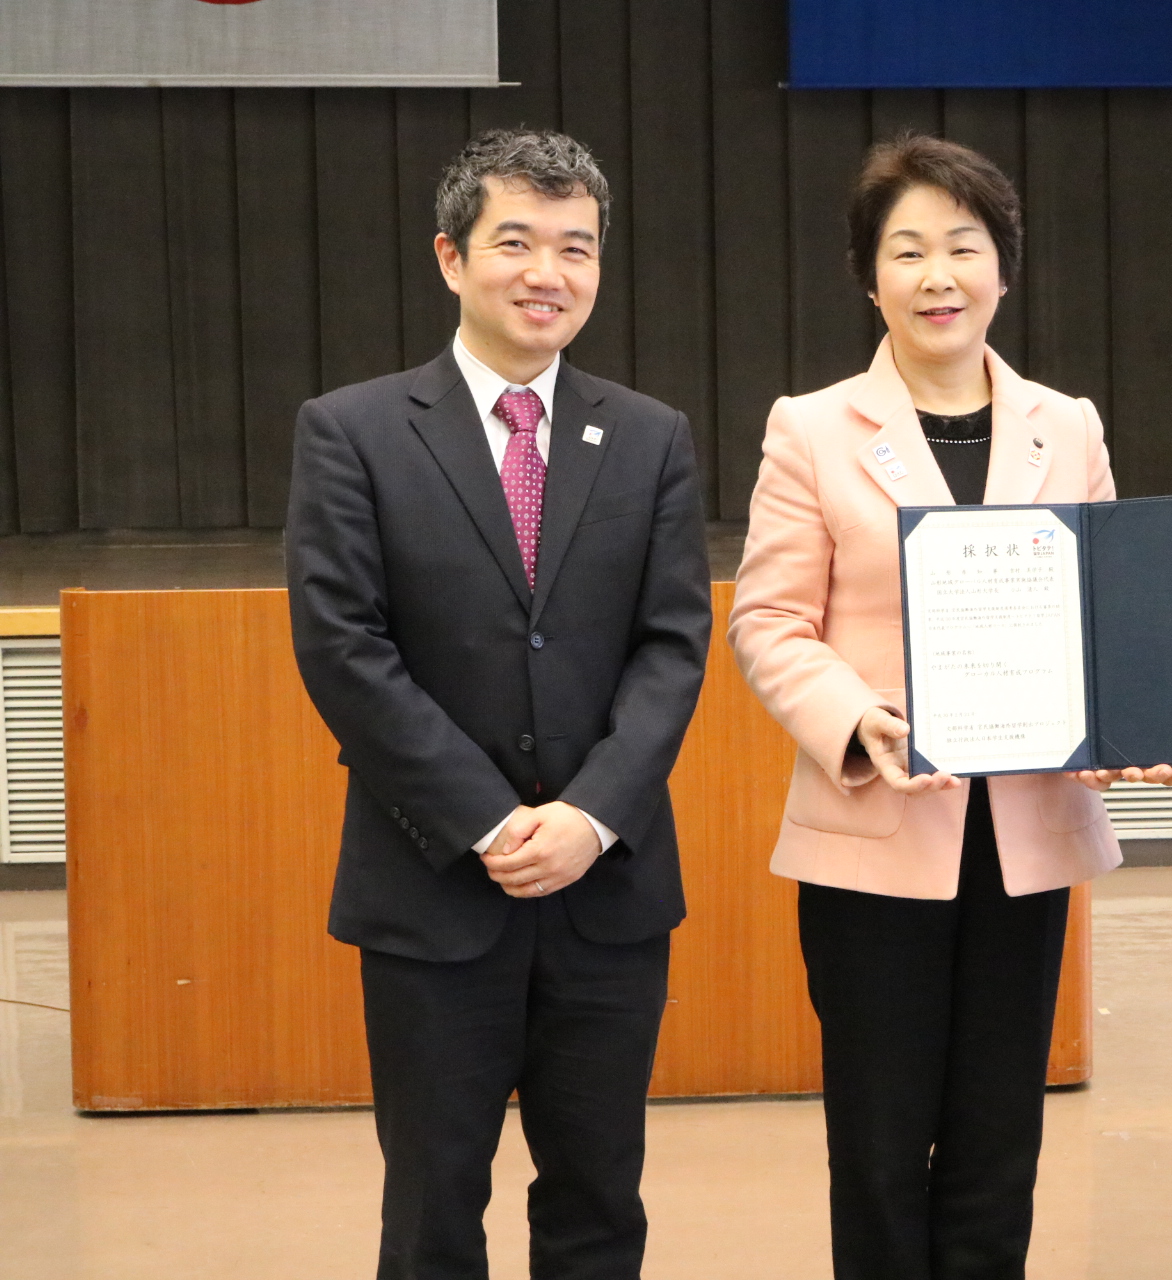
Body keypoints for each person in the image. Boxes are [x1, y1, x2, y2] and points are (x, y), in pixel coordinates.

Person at [284, 129, 711, 1279]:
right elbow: (341, 647)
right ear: (450, 257)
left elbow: (674, 645)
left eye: (577, 247)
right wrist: (488, 818)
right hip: (432, 887)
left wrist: (590, 815)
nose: (548, 272)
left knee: (599, 1200)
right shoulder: (354, 431)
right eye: (515, 241)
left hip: (606, 891)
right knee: (432, 1205)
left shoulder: (649, 435)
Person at [727, 135, 1151, 1280]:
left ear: (1002, 269)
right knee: (875, 1142)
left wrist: (1123, 718)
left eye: (963, 247)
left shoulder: (1068, 424)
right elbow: (767, 623)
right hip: (873, 839)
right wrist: (854, 718)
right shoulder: (810, 428)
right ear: (871, 277)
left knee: (998, 1136)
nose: (937, 275)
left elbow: (1105, 614)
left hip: (1024, 834)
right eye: (906, 250)